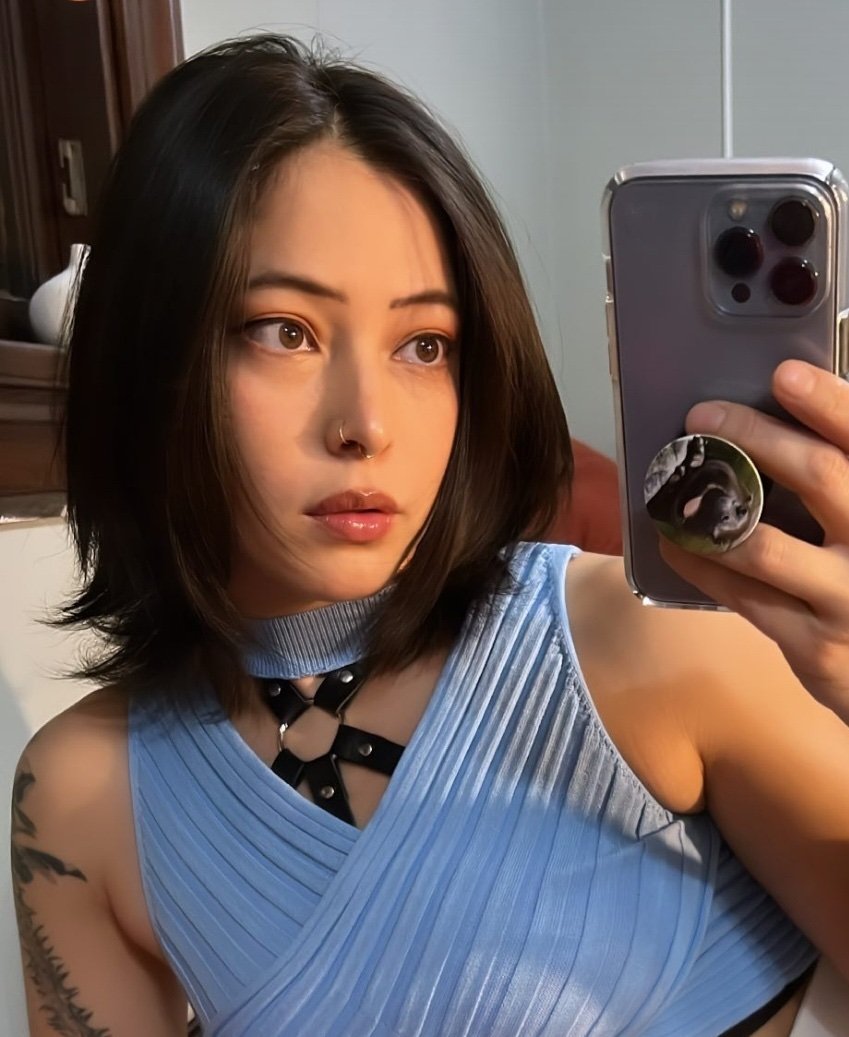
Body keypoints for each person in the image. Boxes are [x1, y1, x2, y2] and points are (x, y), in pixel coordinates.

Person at [10, 34, 849, 1037]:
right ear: (149, 357)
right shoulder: (81, 796)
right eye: (283, 330)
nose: (367, 422)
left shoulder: (644, 643)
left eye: (424, 344)